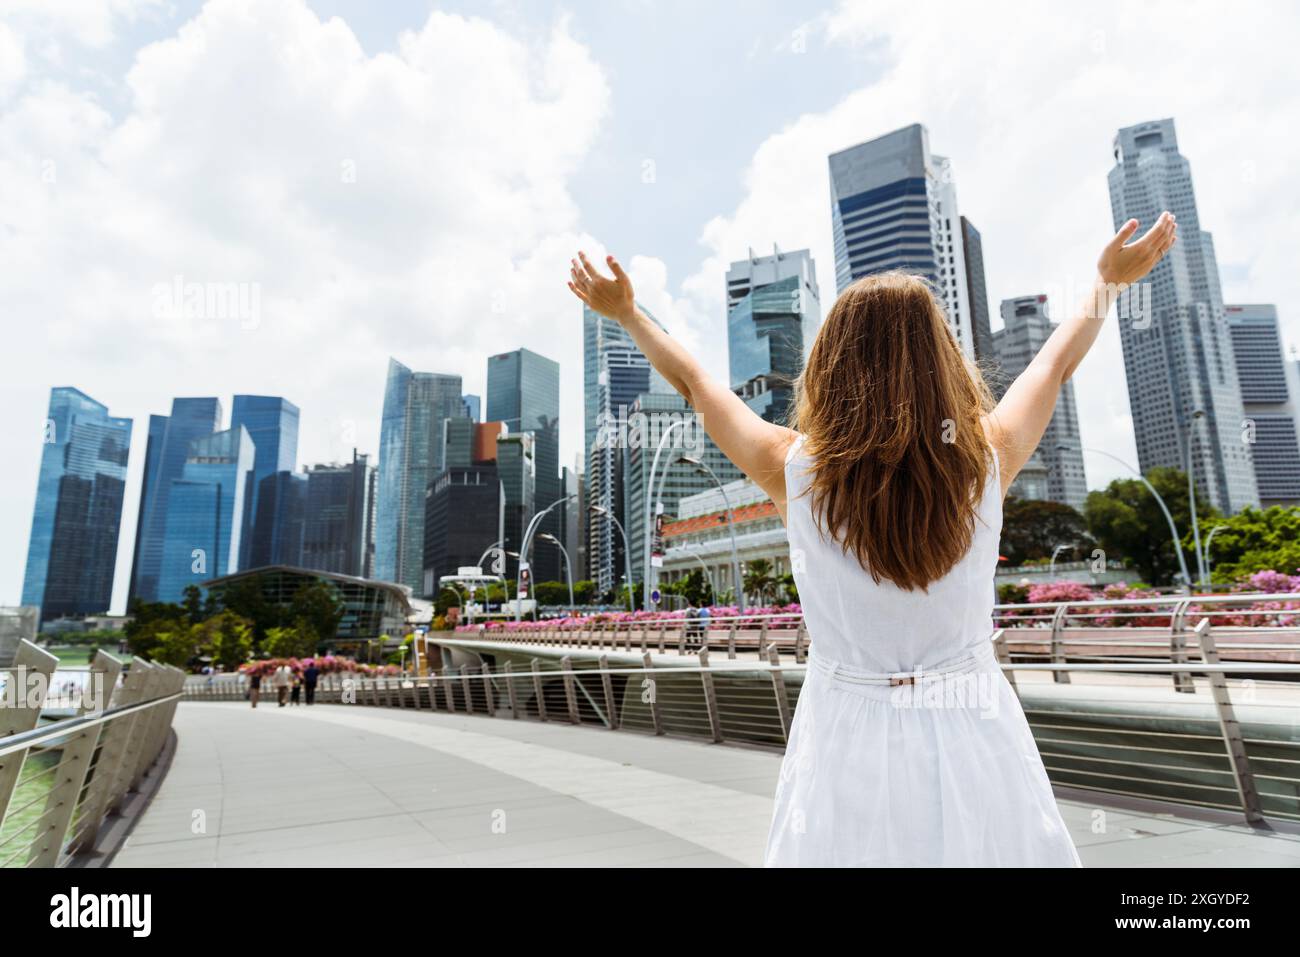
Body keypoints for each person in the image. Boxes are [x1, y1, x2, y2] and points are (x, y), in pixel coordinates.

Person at [566, 211, 1177, 867]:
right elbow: (1053, 366)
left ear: (832, 366)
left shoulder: (793, 469)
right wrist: (1105, 284)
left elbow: (696, 385)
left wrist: (628, 312)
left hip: (843, 737)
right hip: (975, 728)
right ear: (942, 361)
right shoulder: (986, 458)